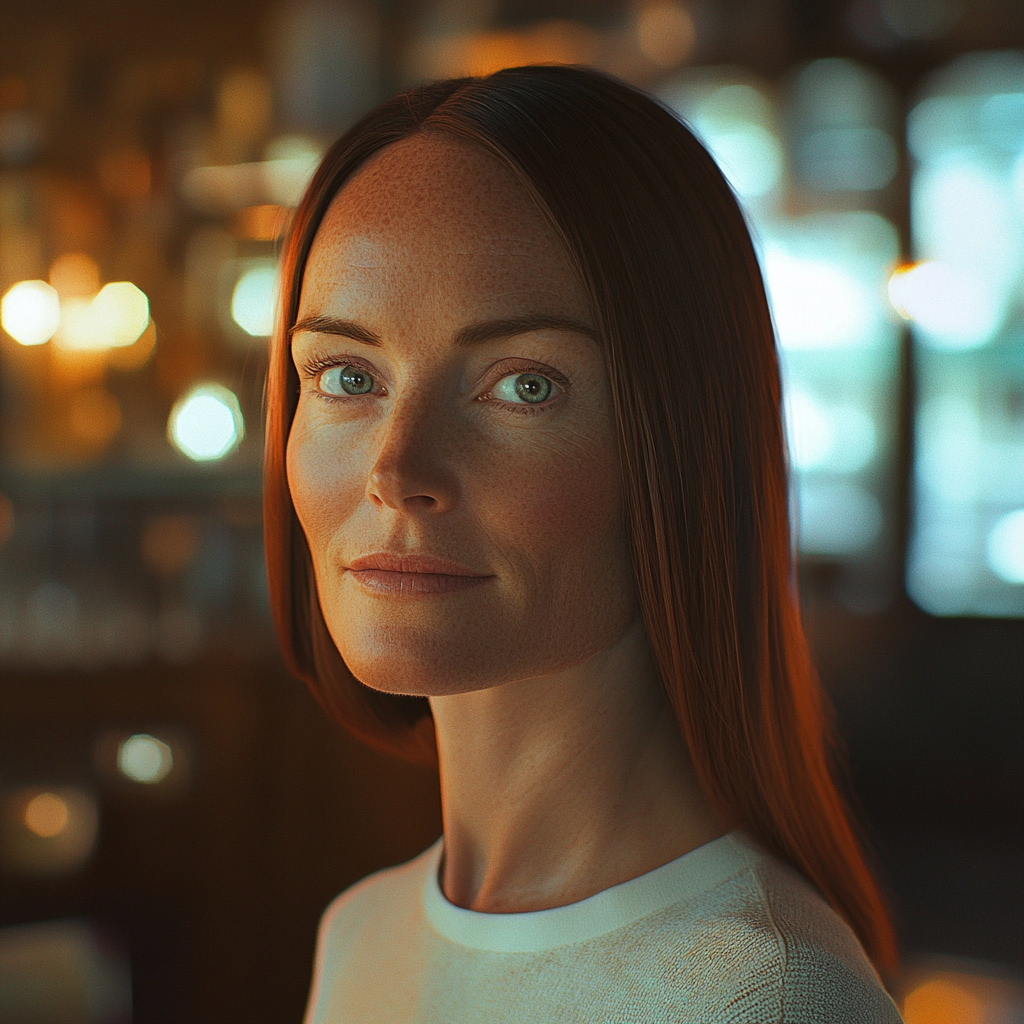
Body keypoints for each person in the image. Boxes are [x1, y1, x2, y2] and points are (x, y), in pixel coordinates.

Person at [263, 65, 904, 1023]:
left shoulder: (764, 1000)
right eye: (348, 376)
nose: (396, 469)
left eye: (524, 385)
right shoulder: (361, 931)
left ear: (679, 444)